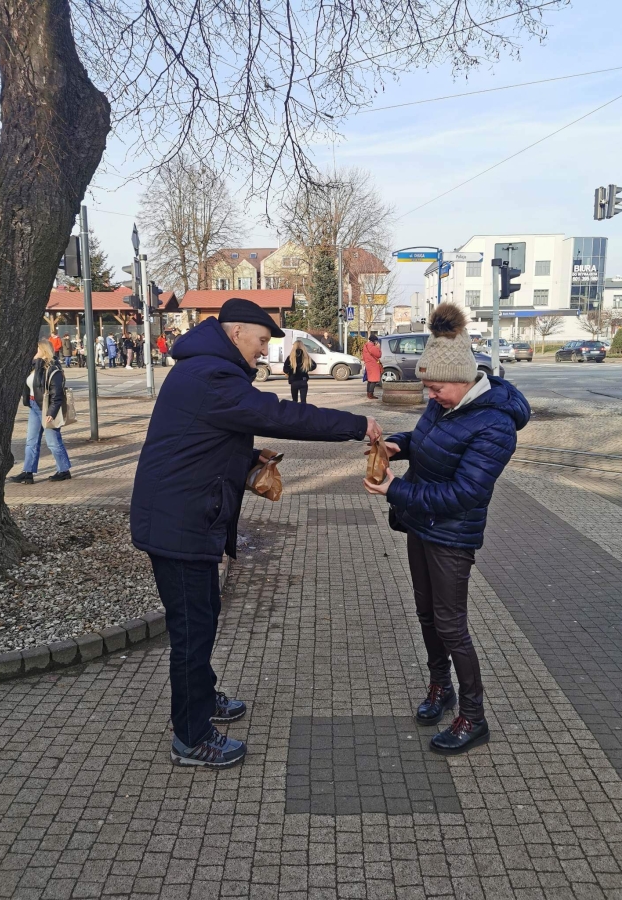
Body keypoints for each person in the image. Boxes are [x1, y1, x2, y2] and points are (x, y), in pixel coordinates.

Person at [131, 297, 382, 769]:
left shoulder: (204, 368)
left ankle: (203, 697)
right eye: (262, 340)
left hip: (186, 517)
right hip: (179, 523)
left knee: (204, 617)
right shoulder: (212, 375)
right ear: (235, 333)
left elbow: (199, 440)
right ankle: (191, 738)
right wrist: (355, 424)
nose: (265, 351)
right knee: (192, 630)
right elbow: (281, 415)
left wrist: (246, 460)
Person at [364, 304, 530, 755]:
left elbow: (464, 493)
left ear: (462, 380)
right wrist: (398, 444)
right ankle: (441, 687)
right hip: (422, 524)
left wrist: (395, 490)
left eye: (435, 388)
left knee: (451, 626)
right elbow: (427, 440)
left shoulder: (495, 424)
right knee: (426, 614)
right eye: (428, 388)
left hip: (452, 535)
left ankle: (474, 717)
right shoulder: (446, 404)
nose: (431, 395)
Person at [9, 340, 72, 485]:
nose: (34, 351)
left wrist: (51, 412)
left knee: (53, 442)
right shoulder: (34, 367)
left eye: (36, 349)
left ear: (43, 350)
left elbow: (57, 393)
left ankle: (64, 470)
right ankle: (28, 472)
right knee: (31, 441)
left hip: (46, 408)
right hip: (34, 406)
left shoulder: (53, 368)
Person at [362, 333, 382, 400]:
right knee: (374, 380)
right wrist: (378, 348)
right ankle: (371, 394)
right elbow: (379, 355)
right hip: (373, 365)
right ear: (374, 341)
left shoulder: (366, 346)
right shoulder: (372, 347)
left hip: (368, 364)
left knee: (370, 380)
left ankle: (368, 394)